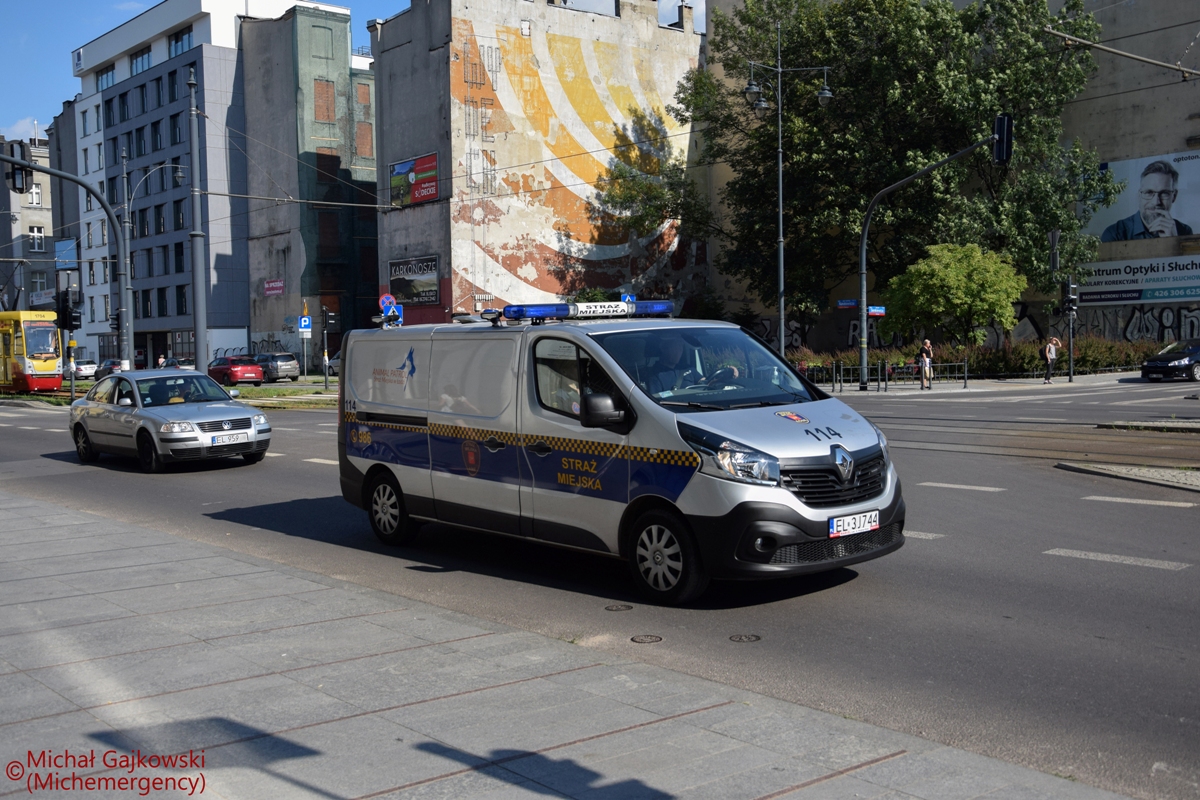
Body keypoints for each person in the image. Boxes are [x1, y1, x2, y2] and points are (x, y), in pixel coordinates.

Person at [1101, 161, 1194, 241]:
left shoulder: (1184, 231)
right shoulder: (1114, 234)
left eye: (1164, 193)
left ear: (1174, 196)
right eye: (1149, 192)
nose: (1156, 202)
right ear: (1139, 196)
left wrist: (1173, 241)